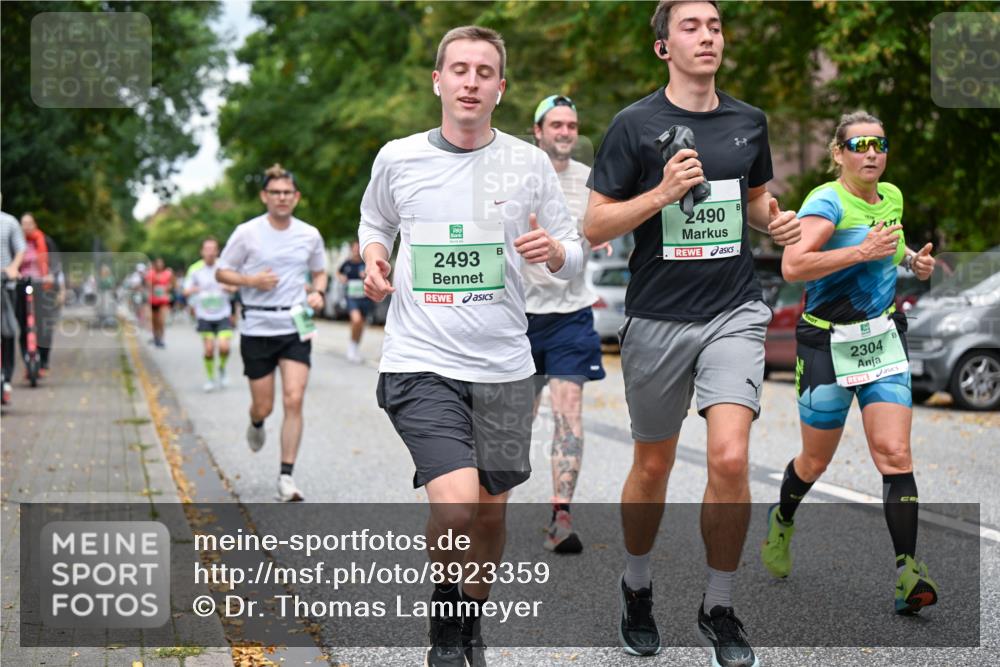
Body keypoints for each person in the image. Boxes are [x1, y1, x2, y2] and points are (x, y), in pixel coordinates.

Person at [358, 25, 583, 667]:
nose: (469, 81)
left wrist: (556, 251)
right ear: (438, 80)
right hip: (420, 363)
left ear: (500, 89)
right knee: (455, 507)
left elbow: (570, 252)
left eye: (484, 72)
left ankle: (470, 628)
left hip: (506, 369)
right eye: (458, 69)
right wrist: (376, 259)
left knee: (488, 517)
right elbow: (375, 222)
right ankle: (446, 628)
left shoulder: (529, 163)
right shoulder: (398, 158)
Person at [584, 1, 801, 663]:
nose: (707, 36)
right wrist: (659, 194)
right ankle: (637, 585)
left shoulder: (748, 122)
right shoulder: (633, 126)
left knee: (731, 457)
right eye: (690, 27)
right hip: (656, 317)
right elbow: (594, 226)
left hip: (734, 309)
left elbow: (756, 198)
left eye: (714, 26)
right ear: (663, 48)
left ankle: (719, 603)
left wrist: (776, 221)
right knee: (653, 463)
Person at [760, 111, 939, 615]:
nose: (870, 153)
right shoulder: (826, 201)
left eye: (879, 145)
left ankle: (908, 572)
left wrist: (912, 262)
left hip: (881, 338)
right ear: (838, 152)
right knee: (814, 461)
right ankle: (783, 516)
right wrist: (861, 252)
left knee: (894, 454)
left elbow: (893, 246)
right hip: (826, 344)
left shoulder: (893, 196)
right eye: (858, 145)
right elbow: (794, 266)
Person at [525, 94, 607, 554]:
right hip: (517, 319)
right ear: (538, 130)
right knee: (515, 424)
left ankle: (561, 515)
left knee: (568, 413)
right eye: (555, 124)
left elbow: (601, 223)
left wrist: (603, 238)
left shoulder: (590, 182)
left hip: (571, 315)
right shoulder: (515, 177)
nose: (564, 132)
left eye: (571, 125)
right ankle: (488, 508)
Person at [217, 164, 327, 502]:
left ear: (296, 197)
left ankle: (286, 477)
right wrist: (251, 281)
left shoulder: (309, 235)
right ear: (265, 196)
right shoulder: (247, 233)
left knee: (294, 398)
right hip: (257, 327)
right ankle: (256, 420)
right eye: (275, 193)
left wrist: (318, 292)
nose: (282, 198)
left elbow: (320, 272)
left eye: (287, 193)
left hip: (294, 326)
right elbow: (222, 272)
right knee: (264, 406)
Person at [184, 238, 235, 392]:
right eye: (207, 249)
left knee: (224, 347)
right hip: (204, 315)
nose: (210, 252)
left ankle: (222, 368)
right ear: (202, 251)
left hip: (223, 313)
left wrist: (227, 287)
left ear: (217, 251)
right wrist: (196, 289)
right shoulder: (195, 269)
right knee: (209, 349)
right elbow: (185, 290)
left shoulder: (224, 267)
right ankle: (210, 378)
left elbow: (235, 287)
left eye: (213, 249)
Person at [16, 213, 62, 378]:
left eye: (29, 223)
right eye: (23, 224)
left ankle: (43, 360)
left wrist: (52, 275)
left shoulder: (45, 241)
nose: (26, 226)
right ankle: (28, 360)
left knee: (44, 324)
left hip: (42, 285)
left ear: (35, 224)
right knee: (22, 324)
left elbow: (56, 263)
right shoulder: (17, 241)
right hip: (22, 284)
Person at [1, 204, 26, 405]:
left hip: (5, 285)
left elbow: (20, 249)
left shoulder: (9, 222)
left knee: (7, 330)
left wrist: (13, 268)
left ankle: (6, 377)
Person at [336, 240, 371, 363]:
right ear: (351, 250)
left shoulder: (365, 263)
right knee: (356, 320)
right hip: (351, 297)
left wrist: (367, 276)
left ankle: (355, 348)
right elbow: (338, 272)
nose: (356, 252)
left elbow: (374, 274)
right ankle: (351, 347)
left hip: (365, 297)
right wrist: (342, 278)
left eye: (358, 249)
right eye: (354, 249)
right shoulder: (347, 264)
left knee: (361, 325)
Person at [146, 257, 173, 348]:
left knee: (161, 320)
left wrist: (168, 287)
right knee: (154, 321)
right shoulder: (151, 273)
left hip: (163, 301)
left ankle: (161, 338)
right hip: (153, 300)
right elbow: (148, 284)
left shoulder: (167, 273)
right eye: (158, 263)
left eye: (161, 263)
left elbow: (172, 284)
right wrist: (155, 281)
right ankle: (156, 337)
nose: (160, 265)